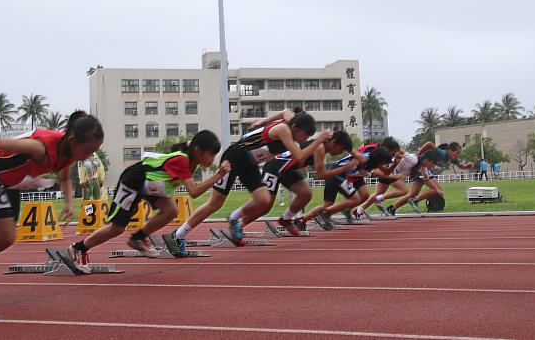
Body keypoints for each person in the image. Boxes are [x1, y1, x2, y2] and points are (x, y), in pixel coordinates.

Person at [0, 111, 104, 290]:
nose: (88, 156)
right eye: (87, 151)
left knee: (5, 239)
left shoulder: (69, 153)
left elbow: (65, 179)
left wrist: (68, 203)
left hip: (12, 182)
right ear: (72, 140)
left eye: (93, 151)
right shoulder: (41, 147)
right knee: (6, 234)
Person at [169, 108, 331, 247]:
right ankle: (178, 235)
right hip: (235, 156)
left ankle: (233, 218)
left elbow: (285, 111)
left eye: (309, 136)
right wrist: (320, 140)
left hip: (249, 162)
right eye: (305, 135)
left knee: (264, 199)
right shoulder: (283, 129)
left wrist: (263, 120)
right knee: (215, 203)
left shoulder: (291, 121)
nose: (305, 139)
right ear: (295, 127)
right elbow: (300, 156)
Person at [70, 131, 229, 264]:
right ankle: (79, 248)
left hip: (152, 186)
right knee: (116, 228)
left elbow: (185, 145)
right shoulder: (183, 160)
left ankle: (138, 237)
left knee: (171, 211)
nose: (213, 159)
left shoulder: (191, 158)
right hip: (134, 181)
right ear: (198, 150)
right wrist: (219, 175)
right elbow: (194, 192)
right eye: (212, 154)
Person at [241, 130, 363, 235]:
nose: (340, 153)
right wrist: (345, 168)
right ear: (334, 143)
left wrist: (355, 154)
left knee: (306, 194)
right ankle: (238, 223)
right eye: (341, 150)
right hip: (275, 168)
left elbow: (339, 142)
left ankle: (286, 219)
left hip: (288, 171)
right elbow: (321, 175)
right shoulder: (320, 147)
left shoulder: (324, 145)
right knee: (265, 206)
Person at [387, 142, 469, 215]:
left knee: (413, 193)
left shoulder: (452, 159)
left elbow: (461, 166)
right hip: (423, 168)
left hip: (423, 169)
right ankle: (415, 200)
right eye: (457, 153)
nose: (457, 155)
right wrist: (418, 154)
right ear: (450, 150)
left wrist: (467, 166)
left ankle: (393, 207)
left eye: (459, 153)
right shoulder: (442, 153)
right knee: (437, 190)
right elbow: (429, 144)